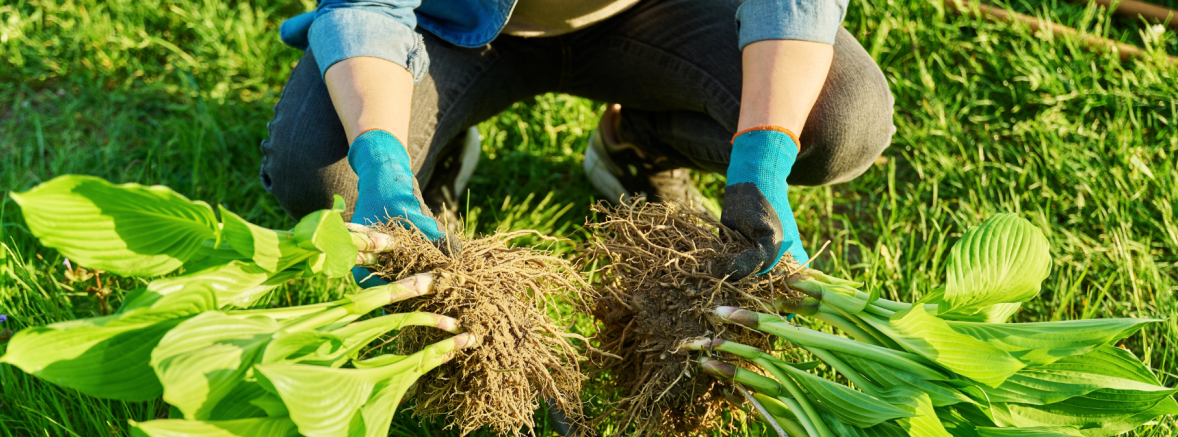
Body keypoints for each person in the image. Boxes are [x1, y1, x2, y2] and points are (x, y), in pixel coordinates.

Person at [261, 0, 894, 279]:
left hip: (653, 15)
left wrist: (764, 153)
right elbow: (367, 8)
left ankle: (637, 142)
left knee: (841, 121)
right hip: (450, 29)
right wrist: (380, 154)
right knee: (323, 175)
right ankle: (425, 156)